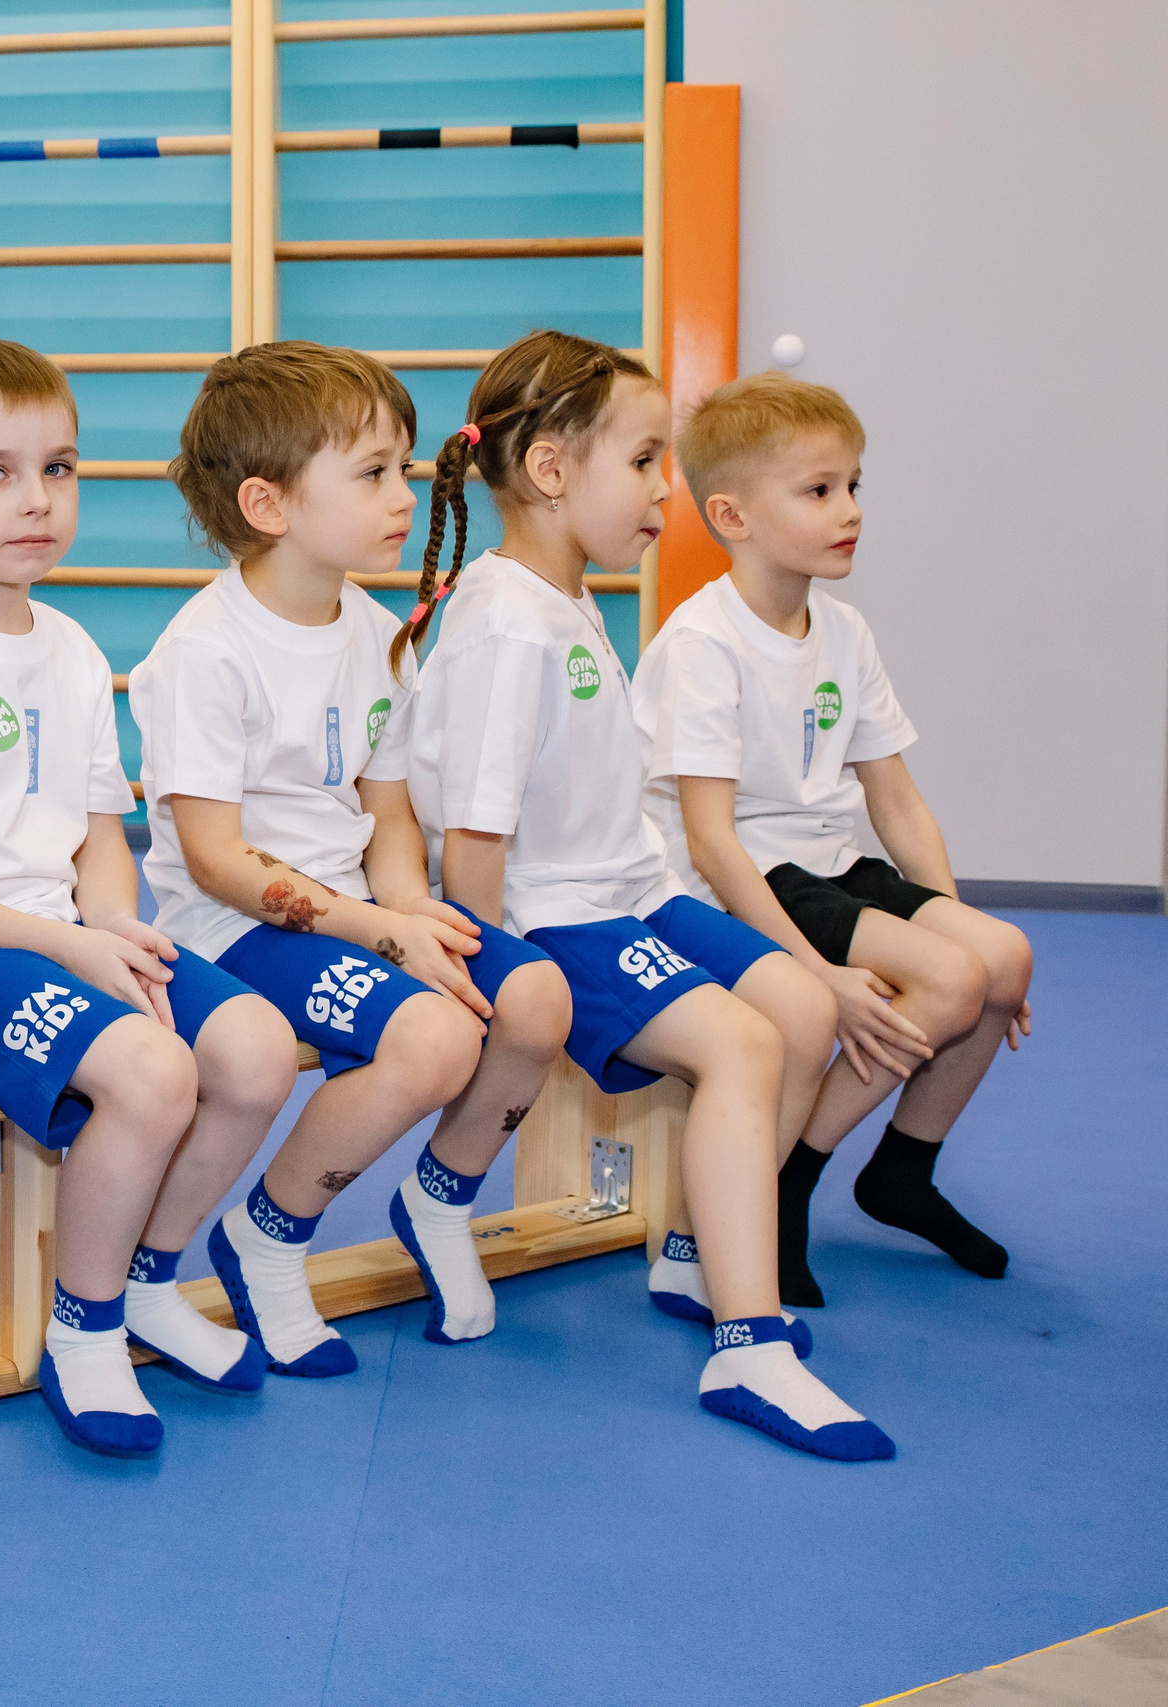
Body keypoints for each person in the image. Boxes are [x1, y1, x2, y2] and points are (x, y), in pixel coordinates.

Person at [401, 329, 892, 1460]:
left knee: (807, 1012)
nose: (663, 490)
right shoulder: (505, 625)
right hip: (556, 916)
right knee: (743, 1047)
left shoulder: (563, 600)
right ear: (551, 472)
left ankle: (692, 1249)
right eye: (642, 462)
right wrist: (499, 978)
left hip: (628, 888)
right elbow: (475, 852)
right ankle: (747, 1342)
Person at [0, 336, 303, 1458]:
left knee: (251, 1045)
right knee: (152, 1072)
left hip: (54, 931)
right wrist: (61, 936)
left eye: (59, 468)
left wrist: (108, 919)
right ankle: (82, 1327)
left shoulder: (75, 647)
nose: (37, 499)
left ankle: (148, 1275)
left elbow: (102, 831)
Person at [136, 342, 573, 1358]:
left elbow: (385, 814)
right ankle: (268, 1236)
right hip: (234, 931)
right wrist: (379, 927)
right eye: (372, 472)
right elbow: (214, 860)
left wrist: (405, 906)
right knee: (433, 1040)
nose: (402, 495)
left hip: (349, 912)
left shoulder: (379, 633)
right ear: (269, 504)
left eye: (405, 469)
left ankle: (439, 1204)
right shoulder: (204, 652)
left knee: (536, 998)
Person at [634, 371, 1031, 1307]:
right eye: (818, 491)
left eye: (854, 486)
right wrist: (817, 974)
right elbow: (712, 840)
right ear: (731, 515)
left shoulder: (844, 633)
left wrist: (954, 920)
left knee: (999, 959)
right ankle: (789, 1177)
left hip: (825, 862)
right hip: (736, 873)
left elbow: (895, 802)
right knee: (949, 980)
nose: (849, 510)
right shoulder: (703, 644)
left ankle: (902, 1172)